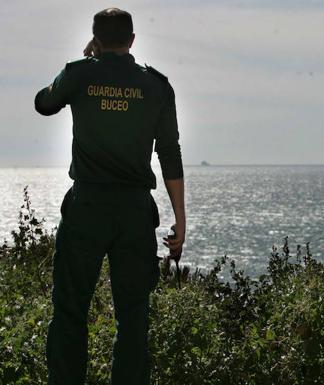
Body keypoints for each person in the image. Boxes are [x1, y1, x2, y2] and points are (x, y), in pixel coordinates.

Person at [34, 8, 186, 385]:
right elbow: (170, 152)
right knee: (133, 316)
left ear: (96, 40)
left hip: (87, 206)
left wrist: (87, 61)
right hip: (134, 212)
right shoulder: (157, 86)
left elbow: (44, 103)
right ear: (133, 41)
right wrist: (180, 219)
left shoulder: (79, 73)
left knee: (70, 309)